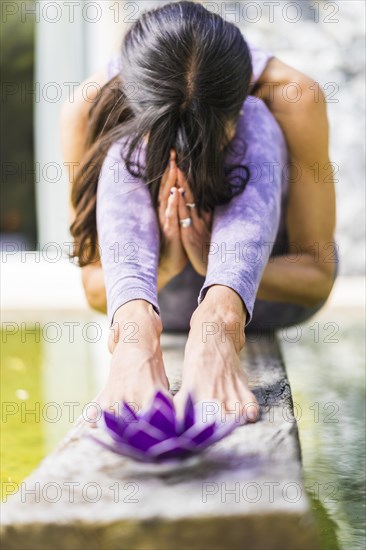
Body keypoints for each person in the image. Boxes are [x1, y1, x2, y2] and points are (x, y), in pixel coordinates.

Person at [61, 1, 338, 422]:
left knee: (258, 120)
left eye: (207, 142)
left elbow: (317, 278)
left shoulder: (291, 96)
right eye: (167, 140)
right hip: (160, 299)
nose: (184, 156)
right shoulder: (88, 107)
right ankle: (133, 340)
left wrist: (220, 274)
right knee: (125, 143)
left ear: (244, 86)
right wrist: (168, 266)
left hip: (264, 302)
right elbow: (96, 290)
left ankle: (220, 327)